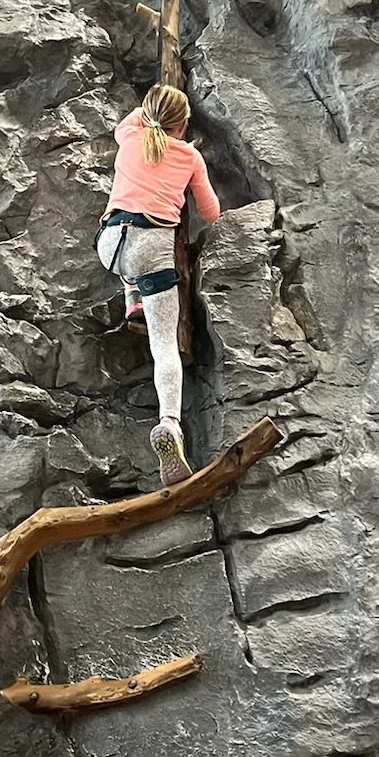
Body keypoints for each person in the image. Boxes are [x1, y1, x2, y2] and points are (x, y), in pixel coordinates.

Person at [98, 83, 221, 485]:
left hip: (111, 244)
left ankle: (132, 295)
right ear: (183, 124)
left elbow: (133, 120)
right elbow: (211, 212)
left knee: (130, 270)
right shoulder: (188, 156)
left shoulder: (129, 137)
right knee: (163, 342)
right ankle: (169, 424)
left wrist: (154, 110)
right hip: (153, 247)